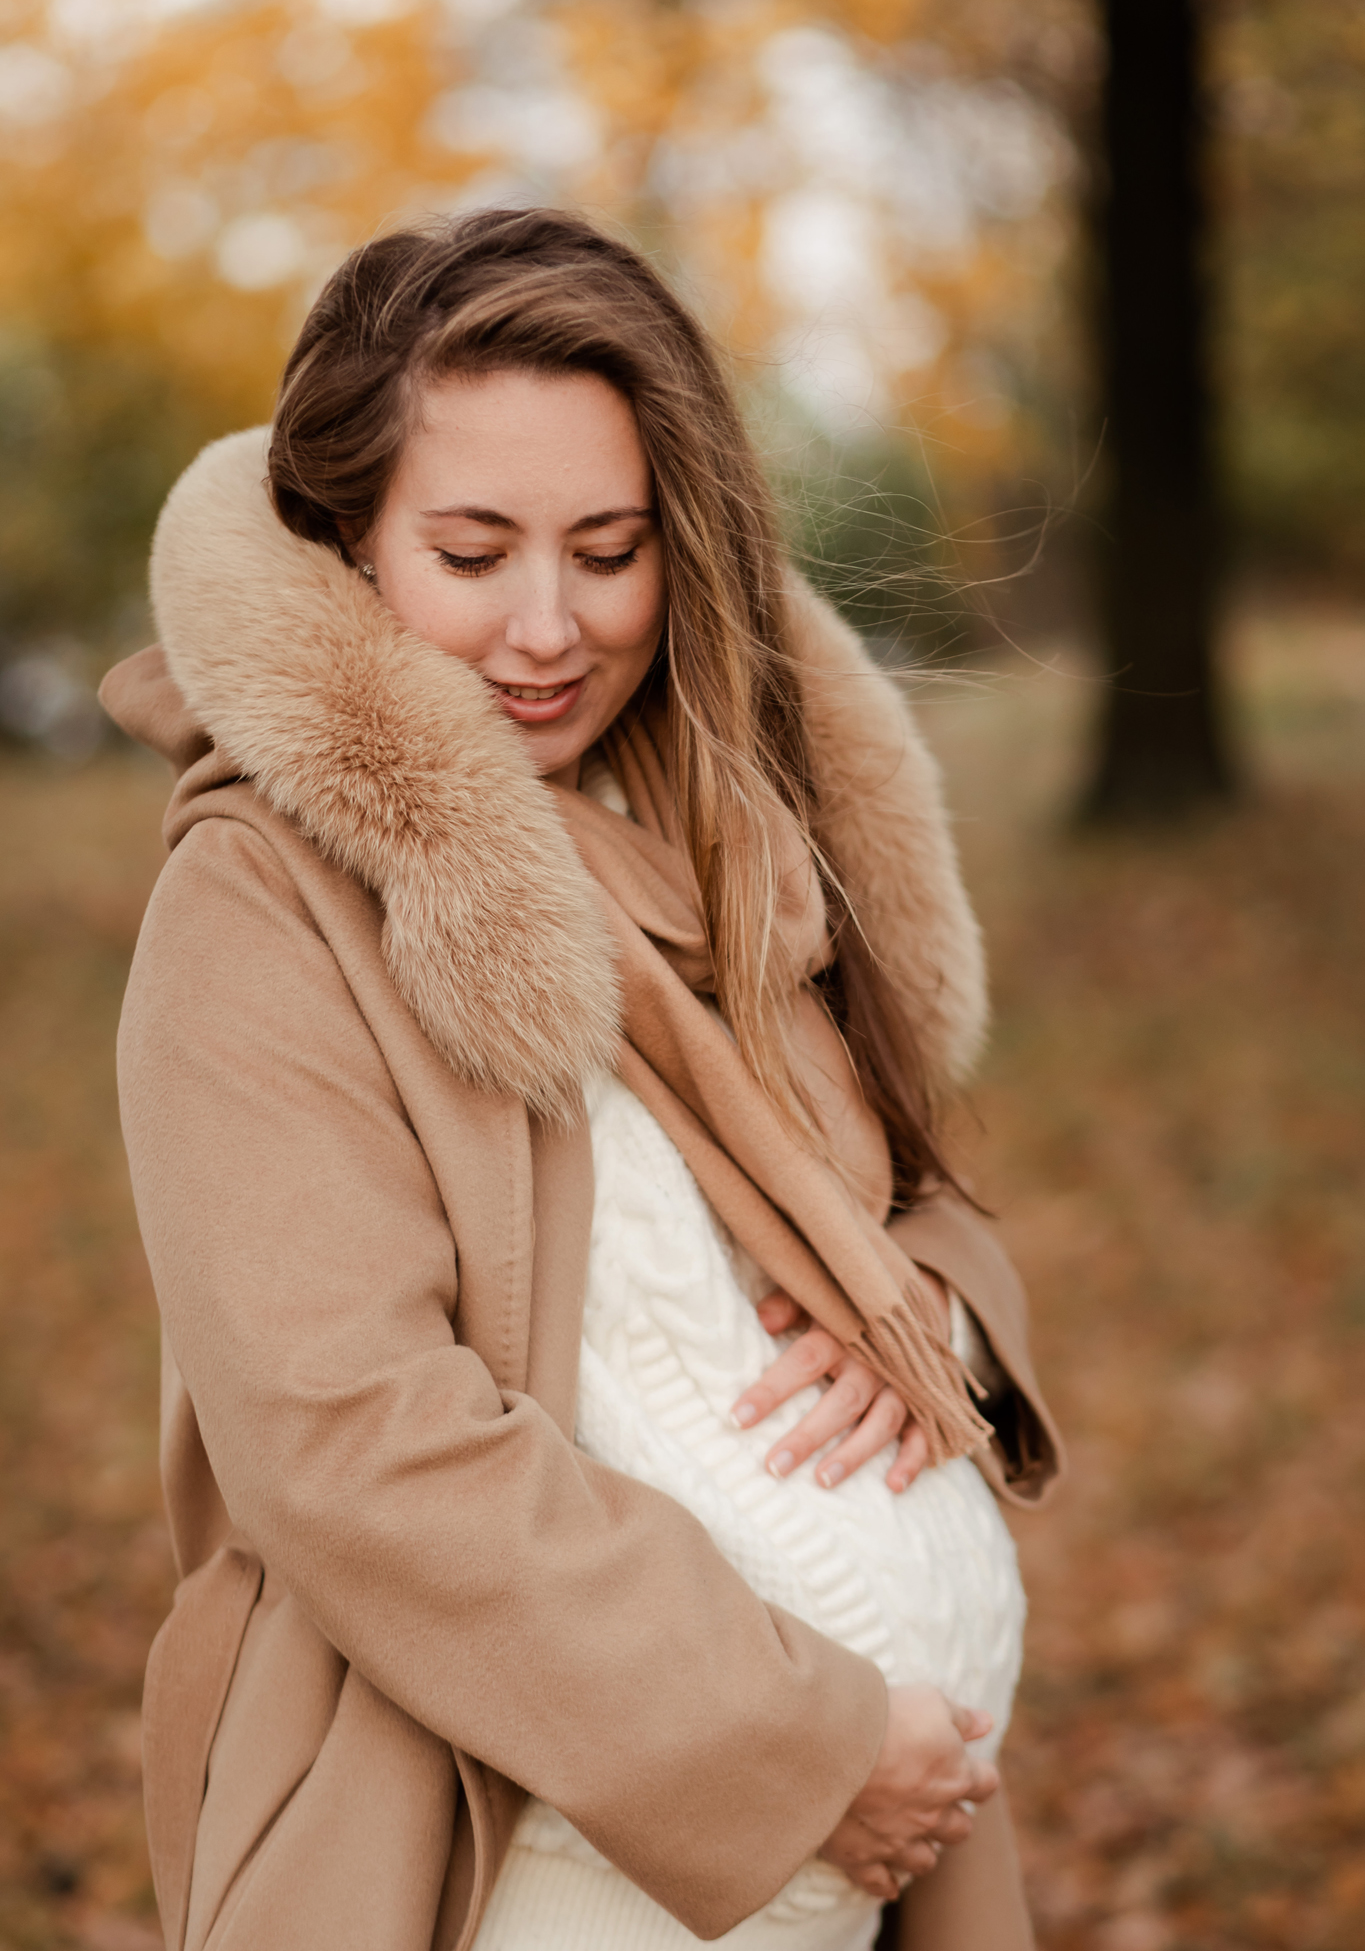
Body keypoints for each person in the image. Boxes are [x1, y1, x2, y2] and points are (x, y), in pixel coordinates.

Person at [101, 207, 1063, 1951]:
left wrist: (930, 1312)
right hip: (504, 1869)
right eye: (472, 555)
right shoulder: (259, 903)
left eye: (607, 551)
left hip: (854, 1886)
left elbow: (915, 1208)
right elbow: (351, 1442)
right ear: (348, 545)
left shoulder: (723, 831)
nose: (549, 629)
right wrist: (794, 1742)